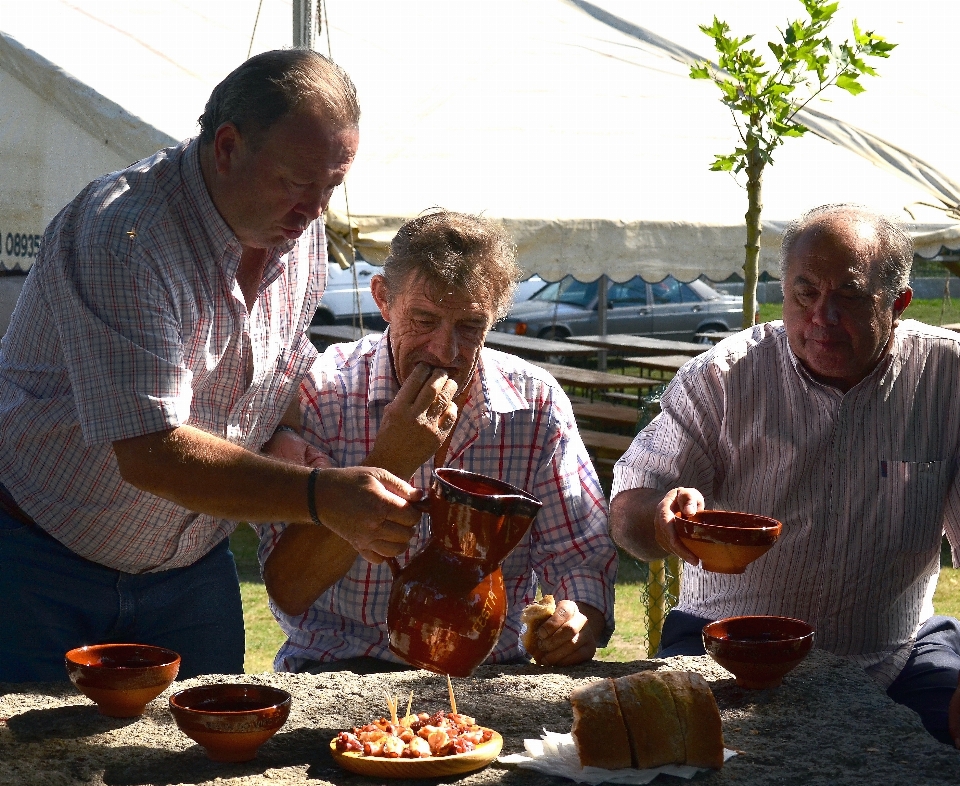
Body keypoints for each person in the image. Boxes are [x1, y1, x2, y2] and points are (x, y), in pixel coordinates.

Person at [0, 50, 424, 682]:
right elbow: (150, 451)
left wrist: (278, 433)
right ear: (227, 146)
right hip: (41, 561)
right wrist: (317, 496)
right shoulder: (126, 233)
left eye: (330, 186)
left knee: (211, 771)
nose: (314, 209)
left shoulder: (293, 228)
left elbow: (259, 366)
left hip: (191, 571)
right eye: (296, 181)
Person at [609, 204, 960, 746]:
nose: (823, 316)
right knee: (675, 758)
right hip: (721, 646)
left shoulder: (947, 379)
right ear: (782, 291)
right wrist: (661, 523)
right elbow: (627, 515)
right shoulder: (724, 378)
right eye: (805, 292)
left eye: (850, 295)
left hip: (895, 653)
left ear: (898, 304)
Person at [256, 209, 617, 674]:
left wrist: (580, 615)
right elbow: (288, 586)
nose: (444, 352)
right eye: (424, 320)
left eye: (469, 327)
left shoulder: (535, 402)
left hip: (488, 672)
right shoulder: (322, 392)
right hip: (339, 665)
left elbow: (580, 552)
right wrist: (393, 458)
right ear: (384, 300)